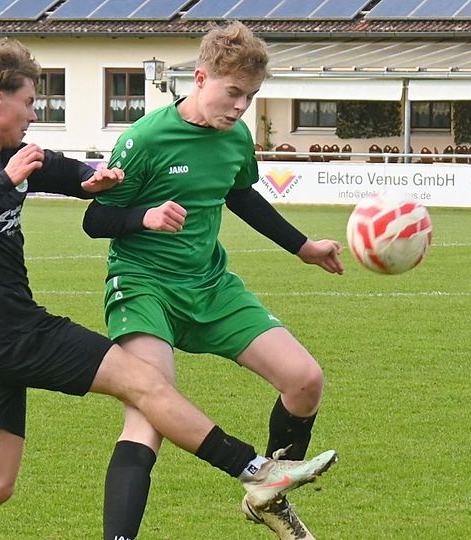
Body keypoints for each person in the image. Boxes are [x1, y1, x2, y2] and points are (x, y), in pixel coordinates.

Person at [0, 38, 336, 540]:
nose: (35, 112)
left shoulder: (15, 153)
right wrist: (5, 181)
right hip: (7, 326)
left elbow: (73, 177)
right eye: (29, 101)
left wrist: (95, 177)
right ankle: (256, 471)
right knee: (147, 385)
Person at [82, 22, 345, 540]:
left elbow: (241, 195)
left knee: (305, 380)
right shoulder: (145, 138)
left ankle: (269, 492)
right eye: (233, 93)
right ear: (200, 78)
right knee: (150, 409)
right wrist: (145, 217)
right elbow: (95, 219)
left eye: (250, 97)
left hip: (211, 284)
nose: (241, 107)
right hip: (144, 286)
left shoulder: (236, 137)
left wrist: (304, 247)